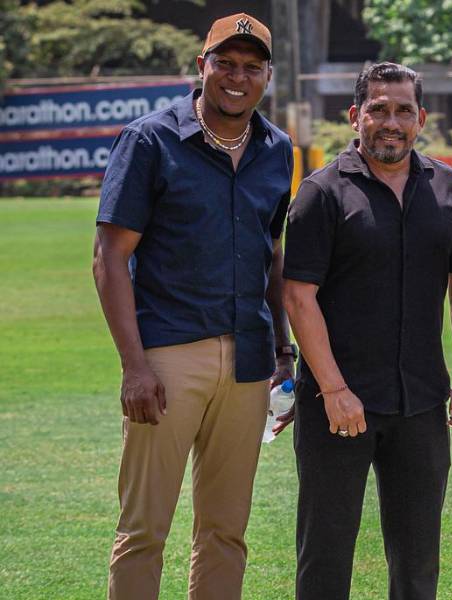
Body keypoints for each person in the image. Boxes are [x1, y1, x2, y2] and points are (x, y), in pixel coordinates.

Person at [92, 13, 293, 599]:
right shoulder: (149, 140)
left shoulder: (276, 148)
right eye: (224, 64)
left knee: (226, 532)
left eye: (251, 68)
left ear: (267, 76)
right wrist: (134, 365)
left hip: (251, 360)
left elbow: (271, 255)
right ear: (200, 67)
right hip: (168, 357)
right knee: (144, 529)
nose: (237, 77)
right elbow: (109, 258)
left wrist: (283, 349)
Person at [279, 62, 452, 600]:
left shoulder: (449, 188)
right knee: (325, 559)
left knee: (418, 563)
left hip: (420, 402)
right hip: (337, 407)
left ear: (421, 119)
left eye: (402, 111)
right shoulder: (321, 194)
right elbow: (299, 298)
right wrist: (334, 390)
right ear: (355, 116)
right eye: (377, 109)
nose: (389, 122)